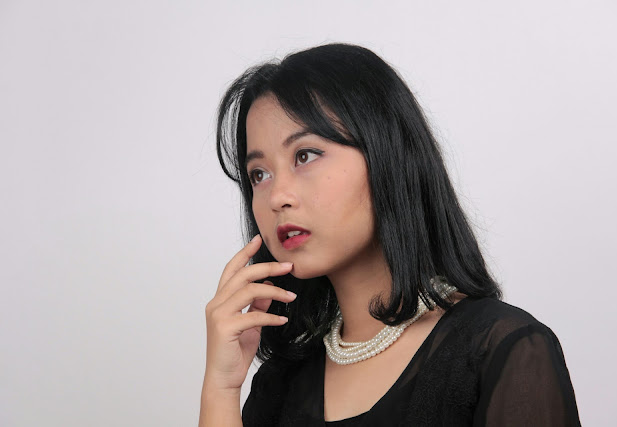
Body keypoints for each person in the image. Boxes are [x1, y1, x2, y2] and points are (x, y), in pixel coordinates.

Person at [199, 43, 581, 426]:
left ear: (387, 155)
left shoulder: (500, 349)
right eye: (259, 174)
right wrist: (221, 388)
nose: (277, 197)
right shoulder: (280, 383)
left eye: (305, 155)